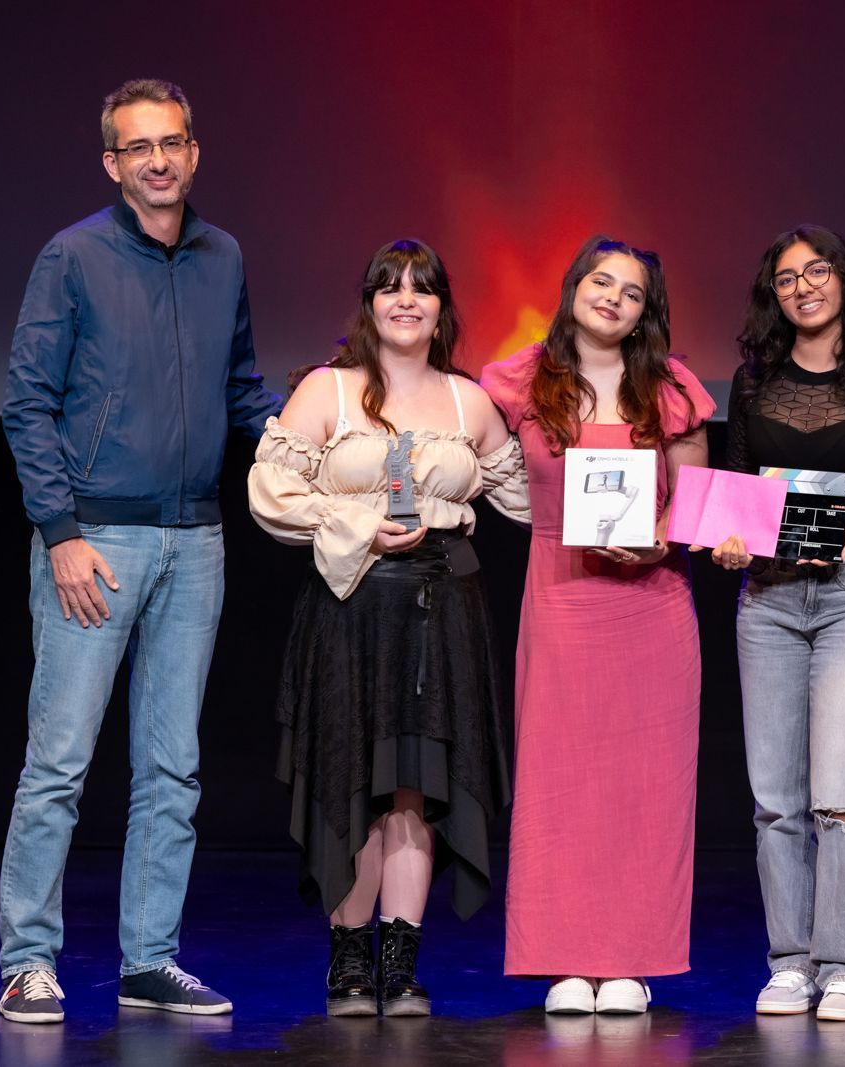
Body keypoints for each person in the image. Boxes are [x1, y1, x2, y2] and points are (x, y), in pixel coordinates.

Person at [0, 78, 279, 1023]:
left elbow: (243, 387)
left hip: (196, 537)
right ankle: (28, 960)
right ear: (113, 164)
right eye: (138, 148)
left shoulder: (224, 256)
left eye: (173, 143)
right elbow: (27, 404)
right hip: (98, 541)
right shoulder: (72, 258)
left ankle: (148, 958)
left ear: (195, 151)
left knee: (173, 766)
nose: (159, 160)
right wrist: (63, 535)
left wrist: (315, 443)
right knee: (60, 763)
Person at [248, 239, 527, 1017]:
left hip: (443, 610)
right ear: (369, 302)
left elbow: (529, 498)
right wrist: (355, 521)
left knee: (415, 787)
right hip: (351, 611)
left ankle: (400, 965)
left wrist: (630, 495)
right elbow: (270, 489)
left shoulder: (471, 401)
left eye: (423, 288)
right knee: (353, 779)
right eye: (389, 286)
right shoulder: (328, 391)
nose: (406, 299)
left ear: (443, 306)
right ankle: (349, 966)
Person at [480, 236, 714, 1015]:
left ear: (648, 312)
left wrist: (657, 537)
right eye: (601, 281)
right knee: (561, 783)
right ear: (573, 286)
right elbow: (468, 456)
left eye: (633, 292)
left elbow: (695, 500)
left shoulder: (671, 387)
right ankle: (564, 959)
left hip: (650, 603)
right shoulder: (518, 380)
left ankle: (632, 959)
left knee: (647, 787)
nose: (613, 297)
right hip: (560, 594)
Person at [706, 225, 845, 1021]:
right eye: (787, 277)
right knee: (775, 797)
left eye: (818, 270)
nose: (804, 286)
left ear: (844, 281)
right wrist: (729, 540)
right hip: (767, 598)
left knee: (843, 791)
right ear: (775, 295)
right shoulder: (753, 383)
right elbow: (736, 489)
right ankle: (792, 960)